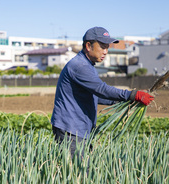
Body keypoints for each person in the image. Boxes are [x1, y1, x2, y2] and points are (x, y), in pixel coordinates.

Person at [51, 26, 154, 158]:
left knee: (85, 171)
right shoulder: (79, 66)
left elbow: (94, 96)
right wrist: (132, 94)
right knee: (80, 173)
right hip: (70, 130)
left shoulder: (88, 65)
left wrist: (126, 101)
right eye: (102, 47)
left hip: (79, 129)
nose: (106, 51)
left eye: (107, 47)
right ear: (88, 46)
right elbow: (101, 89)